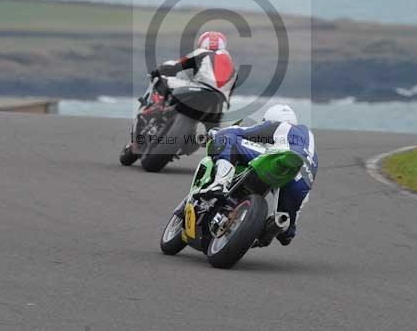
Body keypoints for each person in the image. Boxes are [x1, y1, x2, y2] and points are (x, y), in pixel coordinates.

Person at [205, 104, 318, 246]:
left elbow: (243, 132)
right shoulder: (309, 140)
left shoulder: (280, 126)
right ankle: (271, 229)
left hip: (280, 159)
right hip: (302, 180)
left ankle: (220, 183)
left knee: (229, 139)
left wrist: (216, 133)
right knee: (286, 231)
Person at [124, 31, 237, 155]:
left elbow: (176, 65)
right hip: (219, 103)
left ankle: (158, 105)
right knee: (213, 133)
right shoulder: (232, 67)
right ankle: (208, 143)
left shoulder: (202, 53)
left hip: (198, 91)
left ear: (202, 43)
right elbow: (229, 94)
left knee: (163, 79)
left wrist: (158, 71)